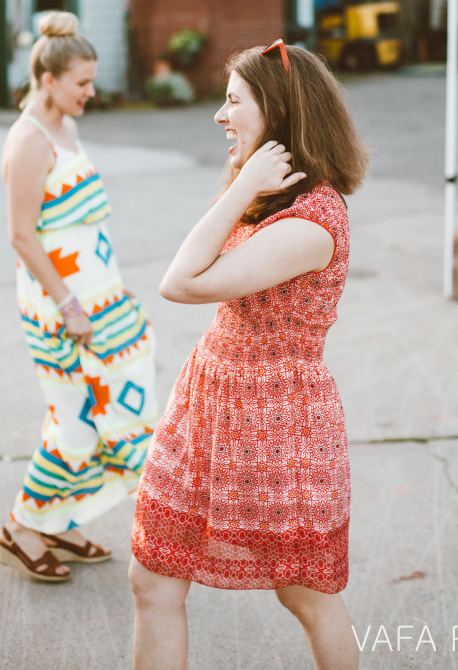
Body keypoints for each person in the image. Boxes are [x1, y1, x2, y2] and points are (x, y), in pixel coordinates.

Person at [129, 40, 367, 670]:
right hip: (210, 405)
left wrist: (242, 188)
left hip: (273, 425)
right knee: (152, 581)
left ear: (278, 113)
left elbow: (180, 282)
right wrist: (248, 184)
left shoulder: (311, 223)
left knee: (308, 596)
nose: (219, 115)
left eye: (233, 100)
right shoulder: (277, 200)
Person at [0, 11, 157, 582]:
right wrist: (70, 303)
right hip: (56, 305)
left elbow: (85, 224)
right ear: (47, 79)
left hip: (95, 295)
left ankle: (55, 522)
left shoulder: (67, 127)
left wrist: (111, 283)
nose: (92, 92)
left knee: (90, 417)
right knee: (74, 420)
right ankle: (20, 528)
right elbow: (22, 235)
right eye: (81, 83)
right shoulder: (29, 141)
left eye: (92, 81)